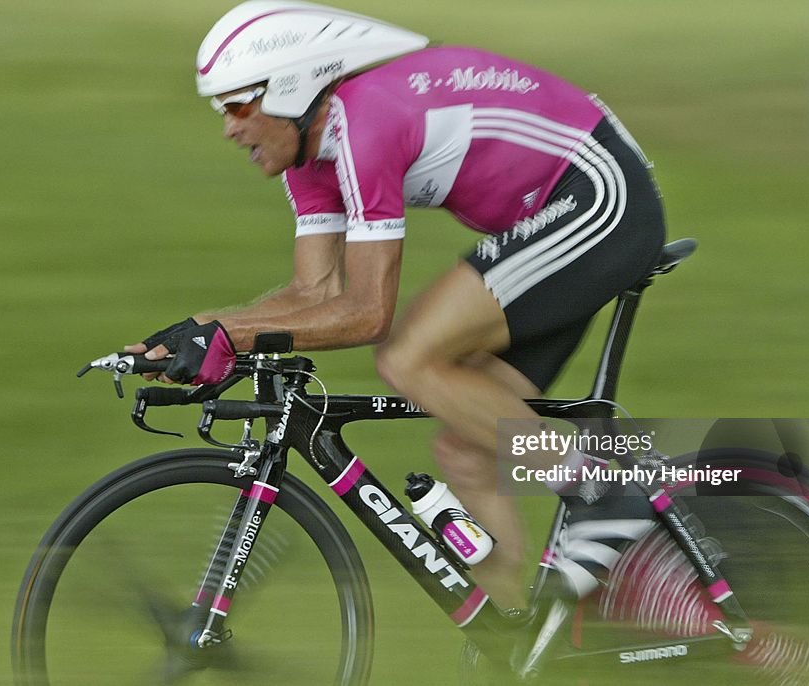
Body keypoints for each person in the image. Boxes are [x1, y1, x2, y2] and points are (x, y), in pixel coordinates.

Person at [126, 0, 666, 612]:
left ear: (288, 90)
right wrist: (197, 331)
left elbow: (365, 314)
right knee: (468, 448)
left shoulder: (368, 126)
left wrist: (227, 334)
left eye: (237, 105)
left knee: (410, 357)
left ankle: (606, 490)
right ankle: (519, 641)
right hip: (545, 218)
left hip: (598, 196)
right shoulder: (310, 156)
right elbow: (314, 295)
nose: (228, 127)